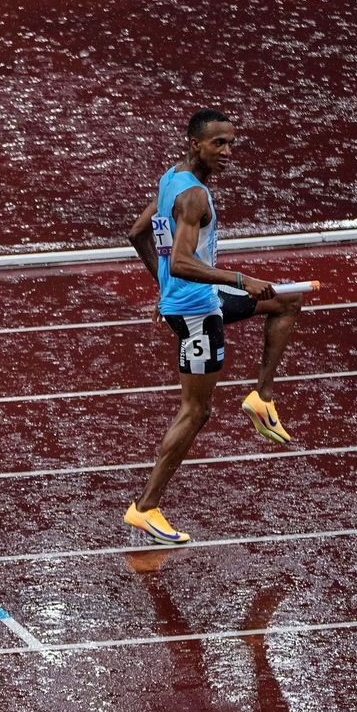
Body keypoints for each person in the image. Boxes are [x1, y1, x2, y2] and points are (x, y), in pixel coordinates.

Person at [125, 108, 280, 544]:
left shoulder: (170, 176)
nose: (228, 152)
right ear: (196, 143)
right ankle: (145, 508)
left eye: (232, 143)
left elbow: (137, 232)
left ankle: (261, 399)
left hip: (193, 301)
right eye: (219, 144)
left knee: (287, 301)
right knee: (196, 411)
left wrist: (163, 288)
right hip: (197, 315)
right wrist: (239, 279)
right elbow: (181, 260)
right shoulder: (194, 197)